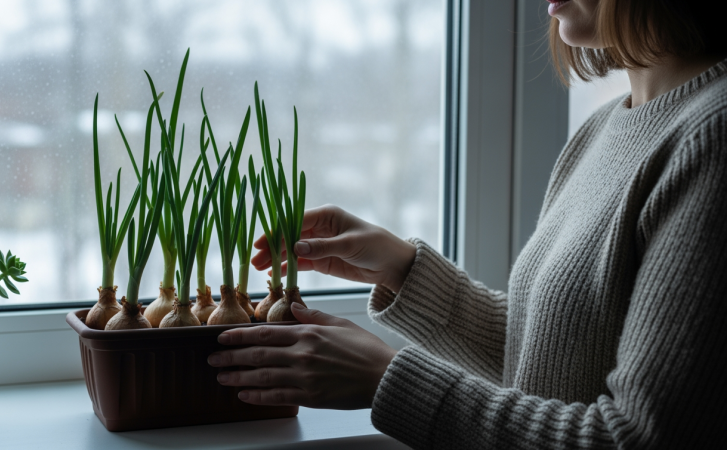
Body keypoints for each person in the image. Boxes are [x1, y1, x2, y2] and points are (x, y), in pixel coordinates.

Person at [207, 0, 727, 447]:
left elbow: (635, 438)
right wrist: (404, 272)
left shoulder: (712, 136)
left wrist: (387, 378)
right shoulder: (604, 127)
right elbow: (547, 362)